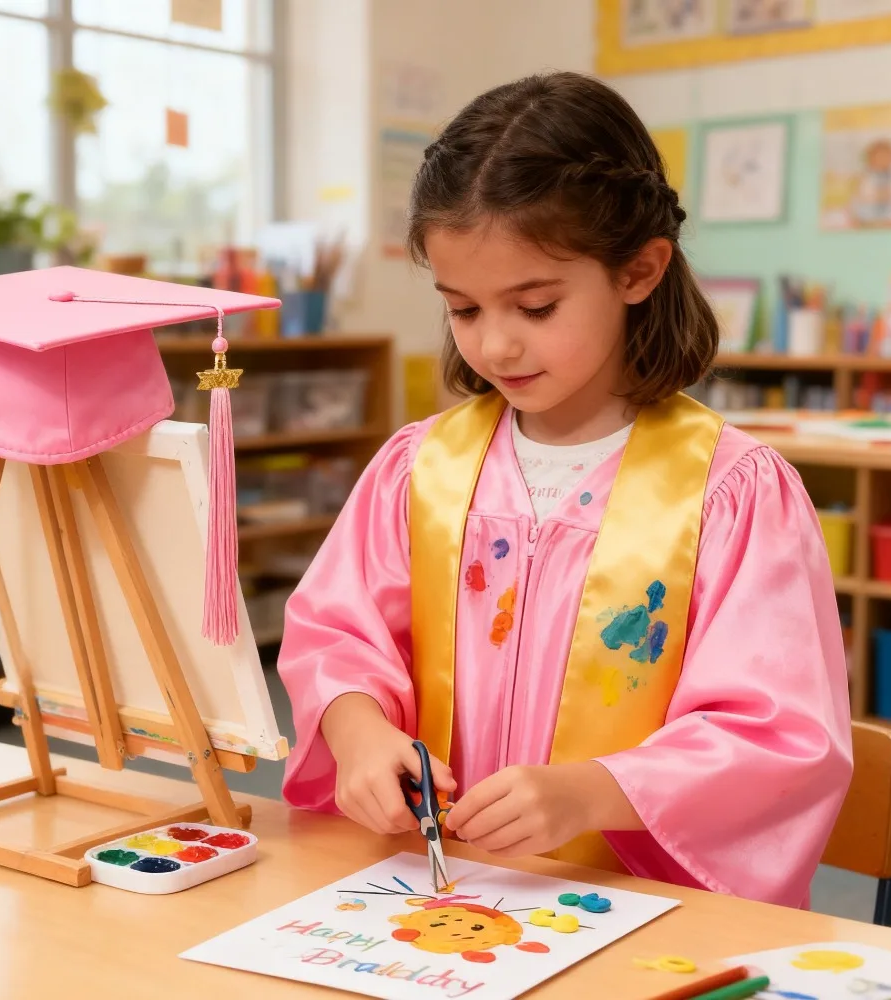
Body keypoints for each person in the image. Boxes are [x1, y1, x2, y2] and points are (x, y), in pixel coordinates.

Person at [277, 72, 852, 908]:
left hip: (635, 908)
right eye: (464, 310)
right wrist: (358, 731)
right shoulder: (418, 471)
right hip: (439, 894)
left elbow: (775, 731)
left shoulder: (730, 495)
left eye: (536, 306)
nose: (498, 345)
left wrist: (592, 793)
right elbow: (337, 633)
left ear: (639, 271)